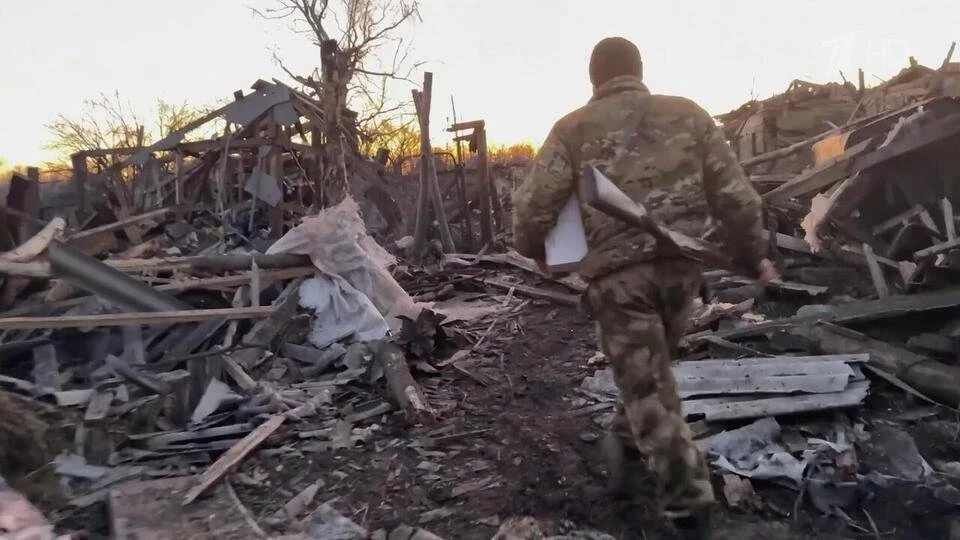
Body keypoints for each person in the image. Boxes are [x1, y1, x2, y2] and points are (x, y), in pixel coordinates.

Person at [511, 37, 779, 537]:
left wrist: (536, 252)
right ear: (638, 70)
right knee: (649, 377)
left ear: (594, 78)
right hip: (682, 274)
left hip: (620, 282)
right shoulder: (690, 115)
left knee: (649, 387)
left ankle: (689, 510)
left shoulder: (572, 129)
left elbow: (533, 208)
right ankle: (625, 442)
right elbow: (736, 197)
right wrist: (753, 256)